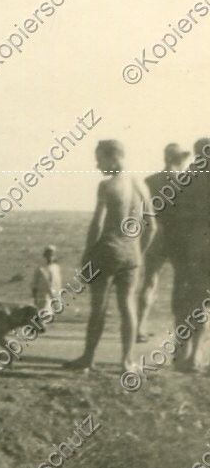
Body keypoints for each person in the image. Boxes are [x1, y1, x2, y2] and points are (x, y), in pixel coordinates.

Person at [65, 140, 155, 374]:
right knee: (128, 307)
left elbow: (97, 224)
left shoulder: (107, 185)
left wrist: (86, 254)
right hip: (131, 254)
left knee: (99, 308)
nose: (97, 165)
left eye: (100, 159)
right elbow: (152, 226)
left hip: (107, 251)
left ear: (114, 157)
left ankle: (88, 358)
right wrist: (139, 253)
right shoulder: (141, 185)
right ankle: (127, 362)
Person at [136, 142, 190, 341]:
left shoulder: (150, 181)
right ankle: (180, 332)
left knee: (149, 282)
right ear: (179, 159)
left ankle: (139, 327)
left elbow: (143, 212)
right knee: (181, 283)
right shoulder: (185, 180)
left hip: (156, 233)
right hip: (178, 236)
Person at [171, 137, 210, 371]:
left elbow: (179, 213)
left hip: (195, 242)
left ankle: (187, 354)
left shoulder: (191, 177)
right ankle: (196, 355)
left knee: (192, 300)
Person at [32, 245, 62, 320]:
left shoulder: (56, 268)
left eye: (52, 255)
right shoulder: (40, 268)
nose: (50, 257)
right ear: (45, 255)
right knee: (42, 315)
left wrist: (57, 296)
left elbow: (58, 283)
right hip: (42, 295)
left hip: (53, 295)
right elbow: (34, 283)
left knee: (49, 316)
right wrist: (35, 297)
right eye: (48, 254)